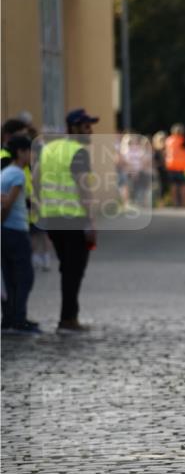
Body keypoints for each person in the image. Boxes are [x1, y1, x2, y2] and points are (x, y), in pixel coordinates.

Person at [33, 107, 98, 332]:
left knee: (67, 268)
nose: (90, 131)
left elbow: (36, 178)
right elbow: (83, 188)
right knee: (74, 269)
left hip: (52, 218)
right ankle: (68, 319)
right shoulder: (78, 152)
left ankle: (69, 317)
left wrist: (40, 207)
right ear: (74, 128)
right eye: (87, 126)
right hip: (73, 218)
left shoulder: (49, 149)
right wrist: (90, 221)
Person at [1, 135, 40, 334]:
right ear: (20, 152)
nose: (31, 155)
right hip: (15, 230)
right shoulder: (17, 175)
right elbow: (7, 204)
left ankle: (9, 319)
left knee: (9, 276)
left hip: (6, 232)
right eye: (29, 151)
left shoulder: (5, 172)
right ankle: (19, 319)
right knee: (25, 276)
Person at [164, 123, 185, 207]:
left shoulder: (168, 140)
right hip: (180, 166)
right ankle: (183, 203)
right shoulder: (182, 140)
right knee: (183, 185)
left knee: (174, 185)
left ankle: (175, 203)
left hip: (171, 165)